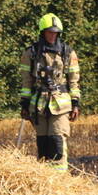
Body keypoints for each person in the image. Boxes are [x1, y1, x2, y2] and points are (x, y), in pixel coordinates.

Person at [18, 13, 81, 171]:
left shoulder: (68, 53)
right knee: (43, 143)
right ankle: (44, 176)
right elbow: (26, 82)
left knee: (57, 140)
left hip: (61, 104)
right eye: (49, 32)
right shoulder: (30, 53)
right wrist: (25, 104)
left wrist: (75, 103)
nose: (53, 35)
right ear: (42, 32)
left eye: (55, 33)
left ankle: (59, 178)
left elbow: (74, 80)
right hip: (38, 105)